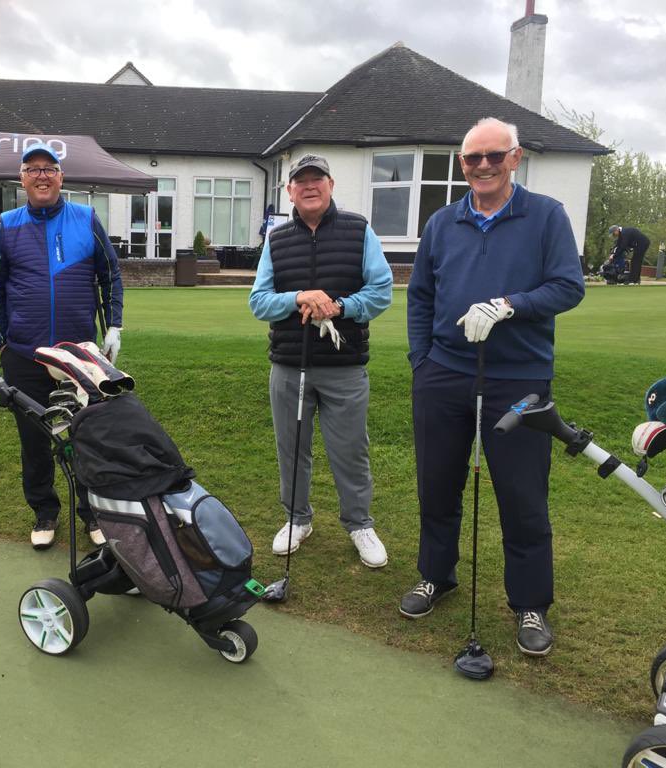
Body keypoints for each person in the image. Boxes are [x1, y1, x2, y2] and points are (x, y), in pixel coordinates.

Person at [403, 118, 585, 656]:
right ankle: (435, 575)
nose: (482, 166)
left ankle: (530, 604)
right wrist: (423, 361)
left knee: (523, 497)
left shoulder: (546, 215)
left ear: (515, 158)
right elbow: (420, 296)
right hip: (444, 373)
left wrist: (509, 305)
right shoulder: (442, 222)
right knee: (437, 485)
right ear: (461, 164)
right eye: (472, 158)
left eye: (493, 156)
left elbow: (567, 286)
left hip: (519, 377)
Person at [248, 154, 393, 568]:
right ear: (289, 191)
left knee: (350, 449)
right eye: (301, 181)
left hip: (344, 365)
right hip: (289, 364)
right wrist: (298, 297)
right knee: (291, 449)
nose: (309, 186)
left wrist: (340, 307)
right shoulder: (276, 239)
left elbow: (381, 292)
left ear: (330, 185)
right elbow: (259, 302)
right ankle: (297, 519)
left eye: (317, 179)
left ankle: (359, 523)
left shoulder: (358, 230)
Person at [0, 143, 123, 550]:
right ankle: (44, 511)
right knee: (34, 439)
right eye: (33, 169)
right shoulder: (8, 224)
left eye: (50, 168)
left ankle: (91, 512)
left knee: (82, 436)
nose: (42, 176)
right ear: (22, 178)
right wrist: (3, 342)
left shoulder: (85, 217)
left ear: (61, 177)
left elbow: (111, 275)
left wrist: (113, 325)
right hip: (24, 354)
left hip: (77, 355)